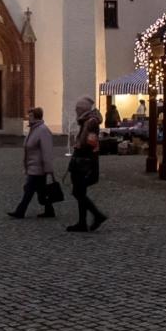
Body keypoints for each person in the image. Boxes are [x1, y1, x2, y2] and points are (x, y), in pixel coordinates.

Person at [67, 96, 108, 232]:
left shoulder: (90, 123)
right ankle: (82, 222)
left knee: (78, 192)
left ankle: (97, 215)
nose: (76, 111)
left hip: (85, 163)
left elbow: (91, 143)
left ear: (83, 109)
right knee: (80, 192)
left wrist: (79, 147)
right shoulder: (86, 122)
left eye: (78, 109)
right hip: (84, 162)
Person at [8, 106, 57, 219]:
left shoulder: (43, 130)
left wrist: (48, 169)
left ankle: (20, 211)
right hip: (33, 166)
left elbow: (47, 151)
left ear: (36, 117)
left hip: (39, 167)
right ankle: (49, 210)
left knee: (29, 190)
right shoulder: (34, 130)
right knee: (41, 191)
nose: (28, 118)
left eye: (30, 116)